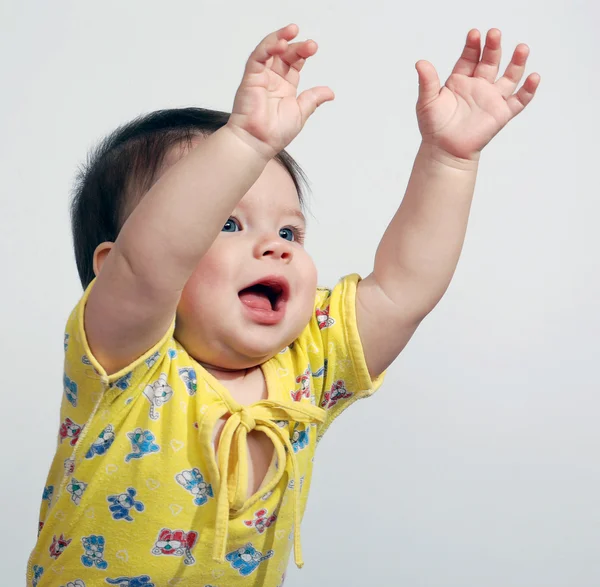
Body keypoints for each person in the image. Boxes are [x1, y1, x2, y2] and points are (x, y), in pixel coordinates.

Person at [26, 23, 540, 587]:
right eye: (227, 222)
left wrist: (449, 159)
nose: (273, 246)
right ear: (108, 269)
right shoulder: (125, 364)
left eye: (290, 232)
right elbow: (148, 264)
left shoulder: (308, 364)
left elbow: (403, 290)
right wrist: (244, 142)